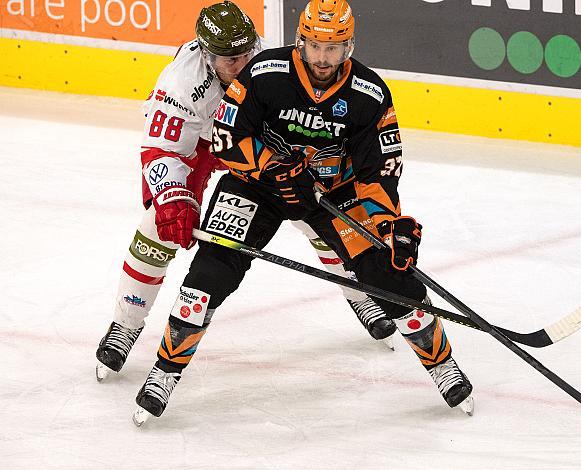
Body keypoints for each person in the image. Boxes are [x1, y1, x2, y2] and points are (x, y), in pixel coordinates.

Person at [131, 0, 473, 425]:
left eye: (333, 48)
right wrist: (269, 166)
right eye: (315, 46)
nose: (323, 58)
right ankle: (165, 371)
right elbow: (225, 136)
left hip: (333, 192)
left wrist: (387, 226)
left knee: (387, 274)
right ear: (301, 41)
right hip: (259, 187)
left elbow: (379, 174)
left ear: (349, 45)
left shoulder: (371, 94)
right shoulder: (264, 72)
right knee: (209, 274)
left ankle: (442, 366)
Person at [95, 0, 395, 383]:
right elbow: (162, 149)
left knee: (320, 214)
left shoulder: (268, 58)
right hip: (202, 148)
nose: (239, 65)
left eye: (244, 53)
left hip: (257, 145)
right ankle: (126, 324)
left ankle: (359, 294)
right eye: (227, 59)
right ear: (205, 54)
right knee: (157, 228)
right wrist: (173, 197)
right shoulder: (181, 81)